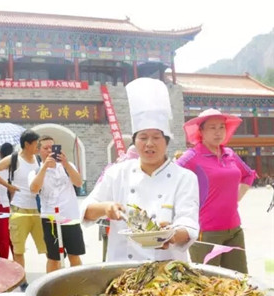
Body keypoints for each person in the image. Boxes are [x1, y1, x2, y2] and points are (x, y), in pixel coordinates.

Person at [81, 78, 199, 263]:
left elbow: (189, 222)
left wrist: (172, 235)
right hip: (122, 267)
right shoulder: (117, 173)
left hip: (168, 268)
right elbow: (86, 210)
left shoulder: (185, 177)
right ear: (134, 142)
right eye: (143, 137)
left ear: (166, 141)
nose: (149, 143)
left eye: (156, 137)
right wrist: (106, 208)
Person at [176, 108, 256, 273]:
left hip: (234, 229)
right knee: (208, 282)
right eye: (212, 127)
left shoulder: (229, 153)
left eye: (221, 127)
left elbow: (248, 175)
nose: (218, 132)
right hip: (206, 232)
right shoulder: (192, 156)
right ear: (201, 131)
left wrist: (235, 198)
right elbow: (169, 178)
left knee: (239, 279)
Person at [0, 129, 46, 291]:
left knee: (47, 247)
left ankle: (49, 279)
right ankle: (23, 281)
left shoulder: (39, 159)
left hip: (39, 209)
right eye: (36, 144)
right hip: (19, 208)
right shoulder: (14, 159)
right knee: (19, 249)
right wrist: (8, 186)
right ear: (27, 144)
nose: (38, 147)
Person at [29, 135, 85, 273]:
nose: (49, 151)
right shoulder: (35, 171)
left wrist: (65, 163)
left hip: (70, 217)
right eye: (45, 148)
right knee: (53, 258)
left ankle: (78, 287)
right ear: (39, 151)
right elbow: (34, 189)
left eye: (52, 147)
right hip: (50, 218)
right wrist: (44, 168)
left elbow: (79, 183)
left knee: (74, 255)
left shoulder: (68, 166)